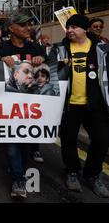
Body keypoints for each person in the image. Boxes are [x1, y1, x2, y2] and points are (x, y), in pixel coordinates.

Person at [52, 14, 109, 198]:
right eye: (68, 27)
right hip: (69, 105)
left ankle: (92, 174)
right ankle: (72, 171)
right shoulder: (59, 49)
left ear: (85, 29)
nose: (69, 30)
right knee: (68, 140)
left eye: (74, 27)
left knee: (102, 139)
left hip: (95, 105)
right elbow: (47, 71)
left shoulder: (101, 49)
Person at [0, 13, 47, 199]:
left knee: (24, 143)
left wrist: (43, 62)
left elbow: (50, 75)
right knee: (12, 144)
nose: (28, 28)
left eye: (29, 25)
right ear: (12, 28)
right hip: (8, 107)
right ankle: (18, 179)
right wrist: (0, 61)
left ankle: (18, 169)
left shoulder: (36, 48)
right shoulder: (2, 48)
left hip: (31, 107)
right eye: (23, 25)